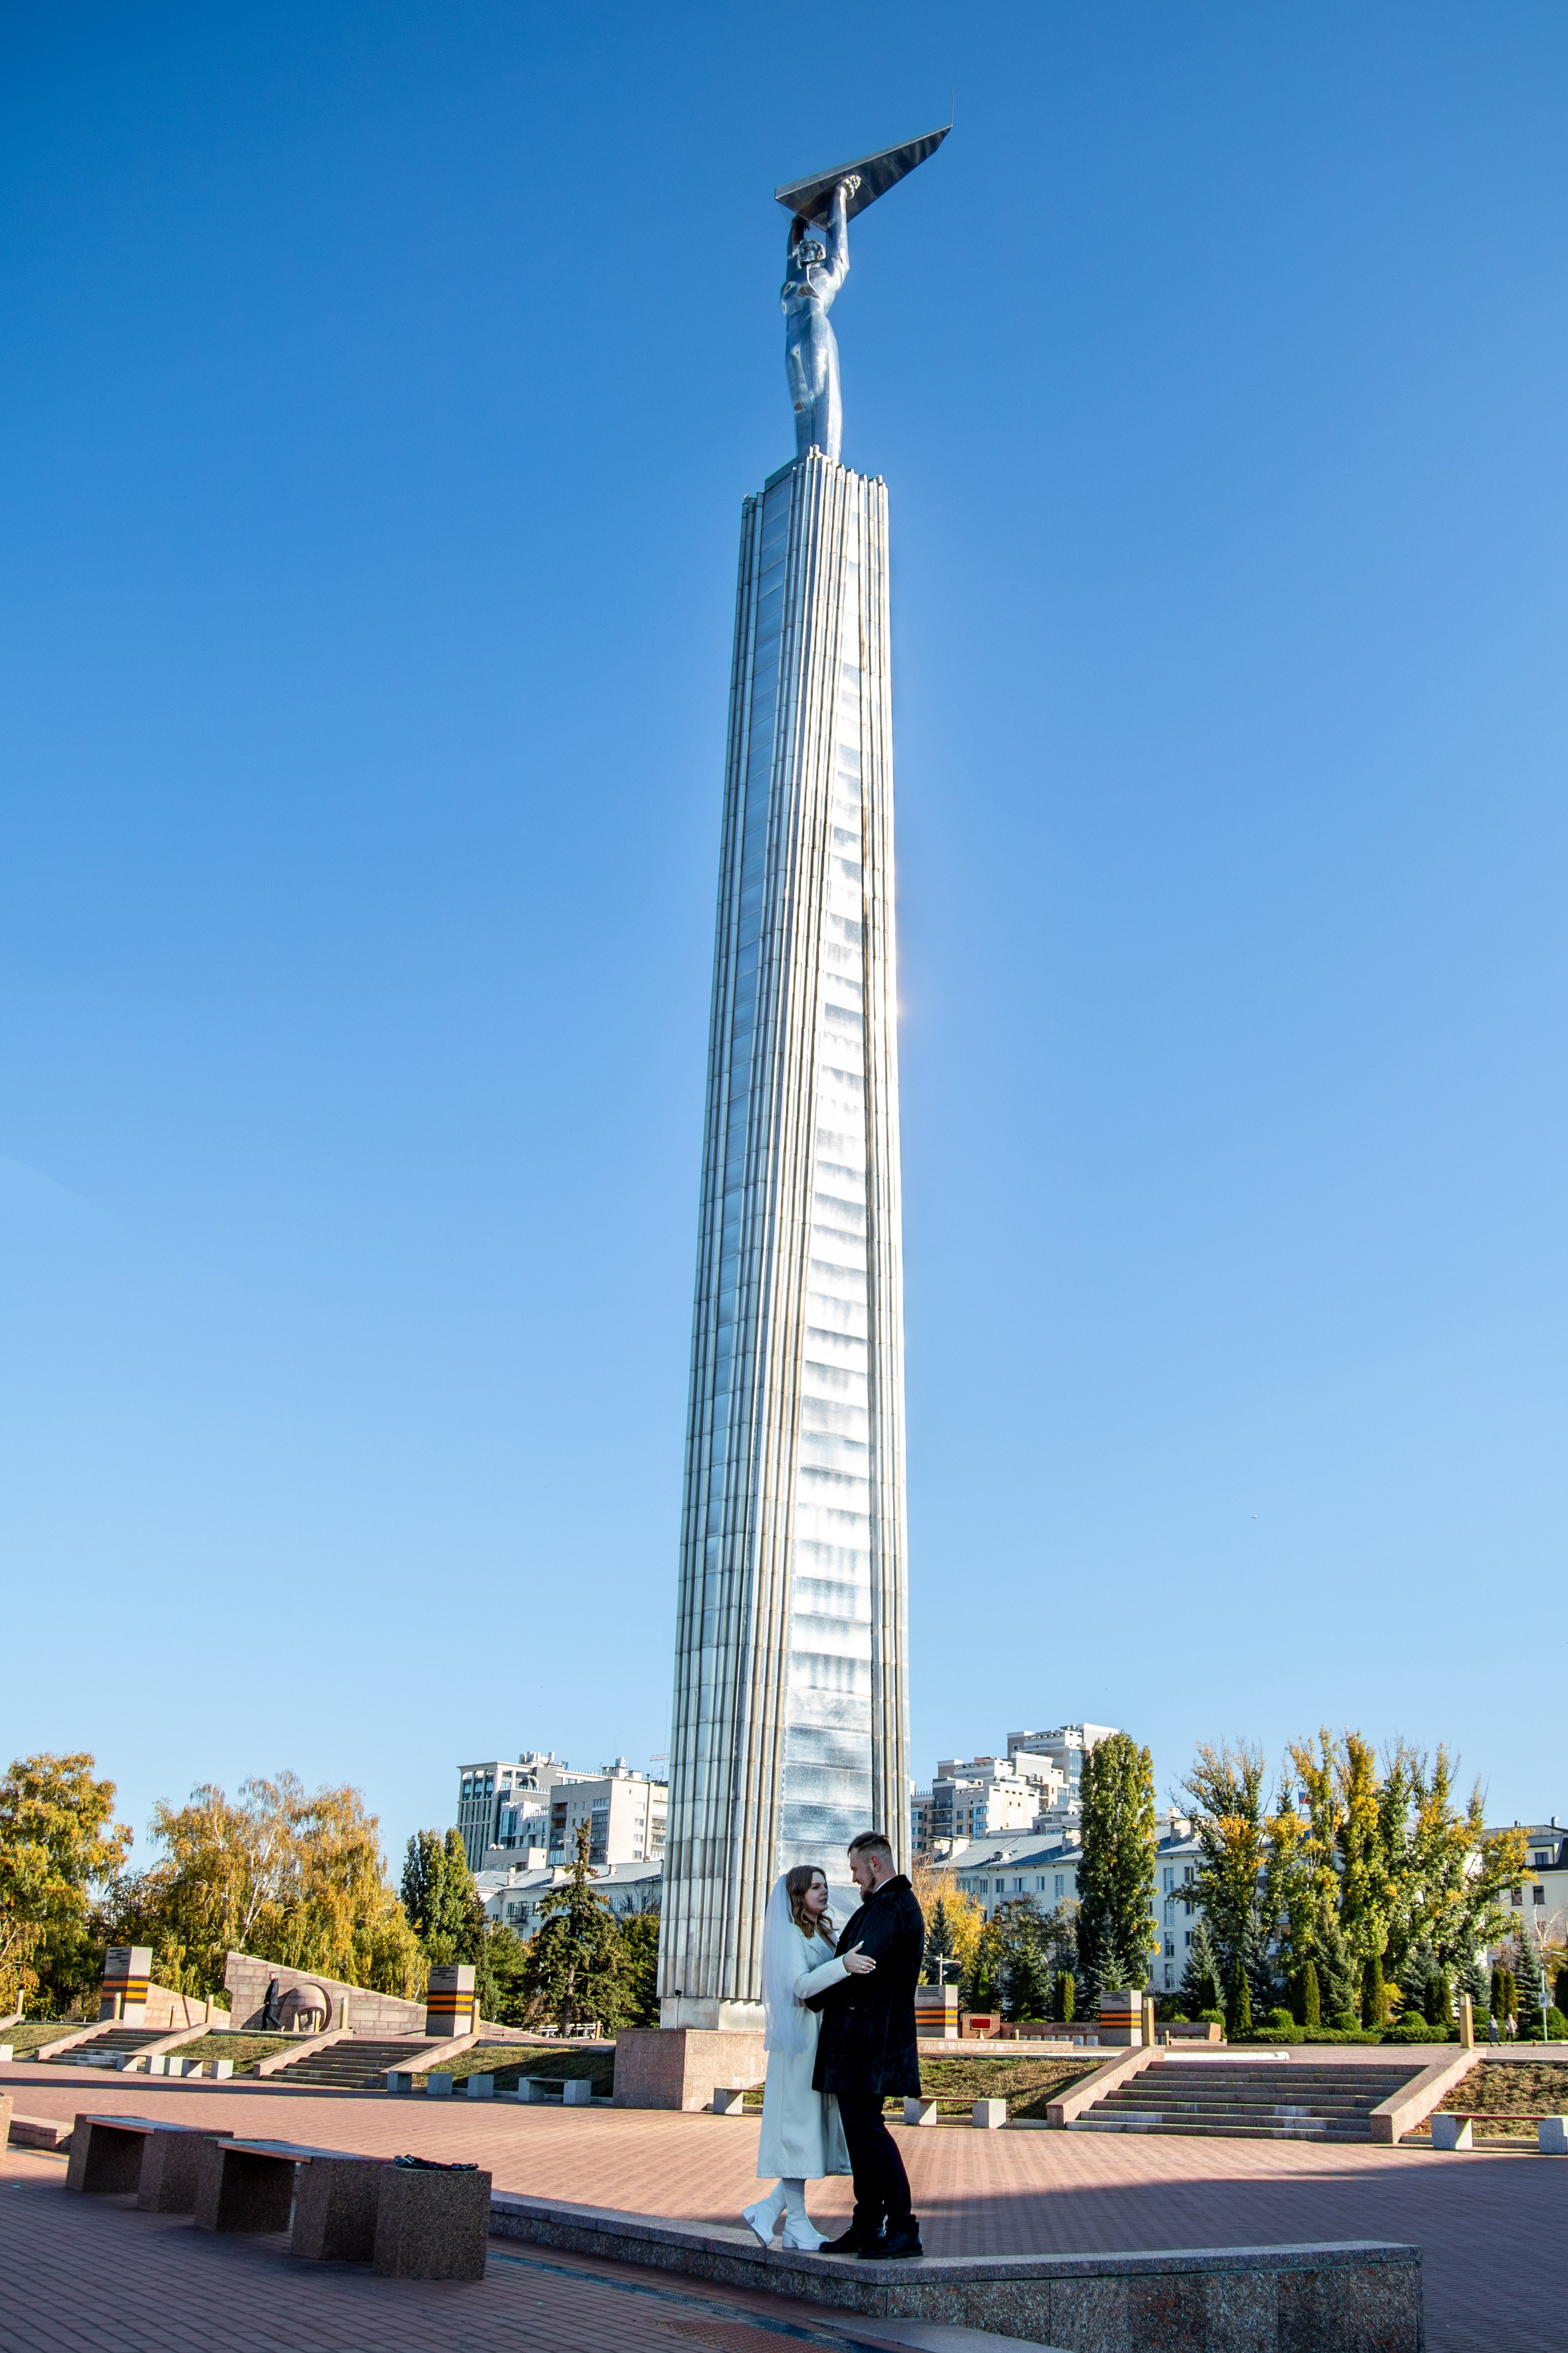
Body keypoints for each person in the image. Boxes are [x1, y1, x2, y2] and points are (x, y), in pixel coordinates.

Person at [805, 1829, 926, 2260]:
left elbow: (858, 1966)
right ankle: (869, 2223)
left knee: (868, 2132)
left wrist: (811, 1993)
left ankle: (902, 2226)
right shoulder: (888, 1905)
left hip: (868, 2041)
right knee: (861, 2131)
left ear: (875, 1863)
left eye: (856, 1869)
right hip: (869, 2039)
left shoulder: (890, 1905)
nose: (854, 1879)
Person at [742, 1865, 869, 2249]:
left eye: (826, 1885)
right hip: (798, 2044)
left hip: (819, 2042)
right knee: (799, 2132)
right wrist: (843, 1965)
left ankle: (771, 2213)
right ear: (798, 1894)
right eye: (816, 1887)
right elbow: (799, 1987)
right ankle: (793, 2222)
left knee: (808, 2133)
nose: (825, 1891)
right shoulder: (792, 1934)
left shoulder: (821, 1931)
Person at [781, 175, 859, 463]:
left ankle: (827, 456)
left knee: (823, 391)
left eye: (811, 249)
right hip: (792, 336)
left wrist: (838, 198)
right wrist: (797, 223)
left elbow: (839, 248)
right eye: (803, 249)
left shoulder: (826, 273)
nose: (805, 252)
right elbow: (791, 253)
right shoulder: (792, 279)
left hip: (815, 327)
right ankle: (805, 457)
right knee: (800, 402)